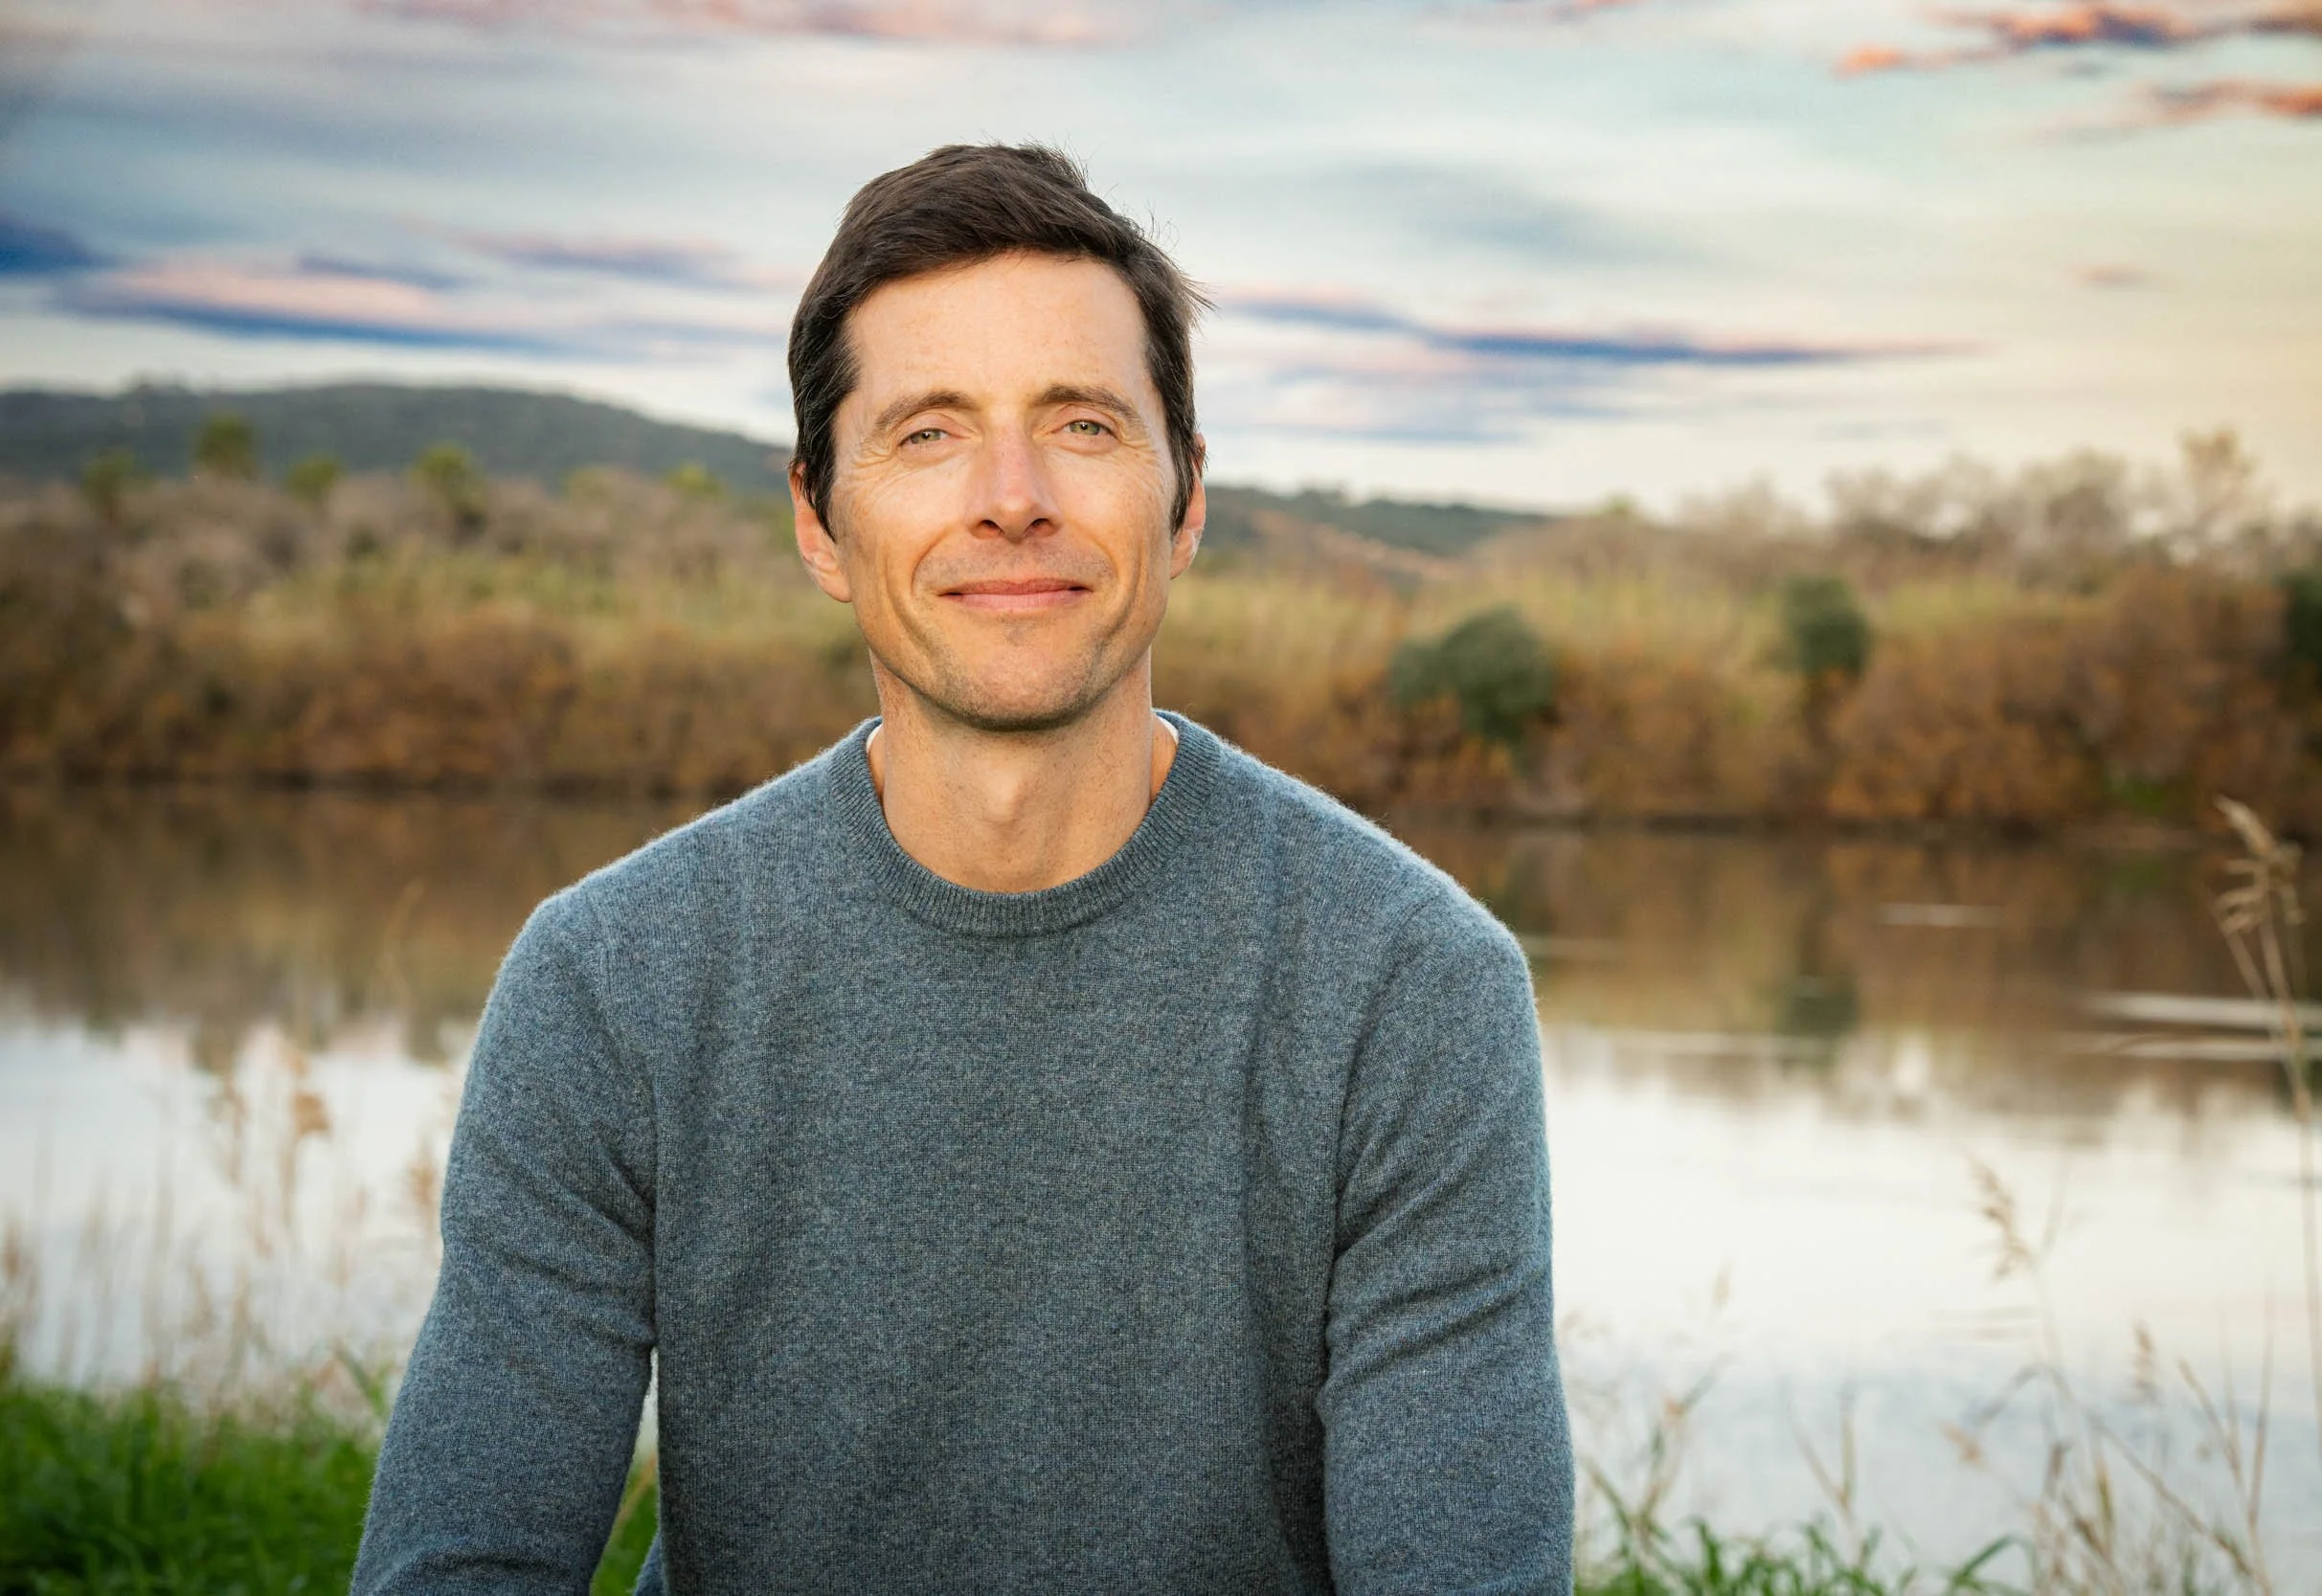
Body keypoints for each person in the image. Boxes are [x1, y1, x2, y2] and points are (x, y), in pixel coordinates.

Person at [351, 142, 1572, 1595]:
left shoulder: (1411, 989)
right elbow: (462, 1561)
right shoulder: (613, 979)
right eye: (929, 432)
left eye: (1084, 424)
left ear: (1184, 504)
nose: (1011, 496)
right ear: (821, 520)